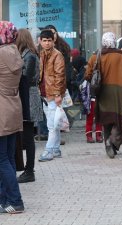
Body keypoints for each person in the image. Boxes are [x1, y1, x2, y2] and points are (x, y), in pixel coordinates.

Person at [92, 32, 122, 158]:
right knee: (119, 120)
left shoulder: (96, 55)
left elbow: (88, 75)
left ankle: (109, 146)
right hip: (120, 92)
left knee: (106, 120)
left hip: (102, 93)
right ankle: (113, 141)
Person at [0, 21, 24, 213]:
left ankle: (15, 201)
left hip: (1, 111)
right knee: (7, 157)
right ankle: (4, 200)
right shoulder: (14, 52)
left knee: (2, 160)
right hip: (13, 108)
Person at [15, 28, 43, 183]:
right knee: (26, 136)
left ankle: (29, 170)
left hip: (29, 98)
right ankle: (27, 169)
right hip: (28, 96)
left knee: (28, 137)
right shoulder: (28, 54)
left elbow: (25, 78)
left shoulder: (29, 56)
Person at [38, 29, 66, 162]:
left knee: (52, 124)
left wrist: (57, 94)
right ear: (40, 41)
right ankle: (56, 149)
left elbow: (59, 76)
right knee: (54, 122)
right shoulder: (42, 54)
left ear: (53, 41)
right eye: (45, 41)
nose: (47, 43)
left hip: (53, 94)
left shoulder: (57, 55)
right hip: (44, 93)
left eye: (49, 40)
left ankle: (49, 151)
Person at [84, 50, 103, 143]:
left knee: (90, 113)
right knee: (99, 114)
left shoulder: (93, 58)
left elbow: (87, 74)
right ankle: (99, 134)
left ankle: (89, 135)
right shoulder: (108, 57)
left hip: (93, 89)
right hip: (104, 90)